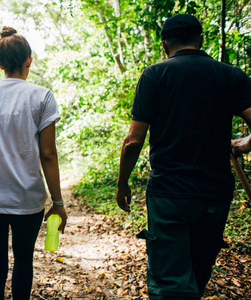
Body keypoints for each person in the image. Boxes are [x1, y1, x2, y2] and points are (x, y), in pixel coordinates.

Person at [116, 14, 251, 300]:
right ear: (201, 40)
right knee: (199, 269)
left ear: (164, 44)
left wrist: (122, 183)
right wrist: (245, 143)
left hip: (169, 195)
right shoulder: (232, 75)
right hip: (215, 194)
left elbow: (133, 142)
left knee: (171, 283)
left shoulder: (155, 75)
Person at [0, 26, 68, 299]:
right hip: (26, 201)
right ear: (29, 60)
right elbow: (48, 154)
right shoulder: (42, 96)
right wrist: (57, 202)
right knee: (23, 262)